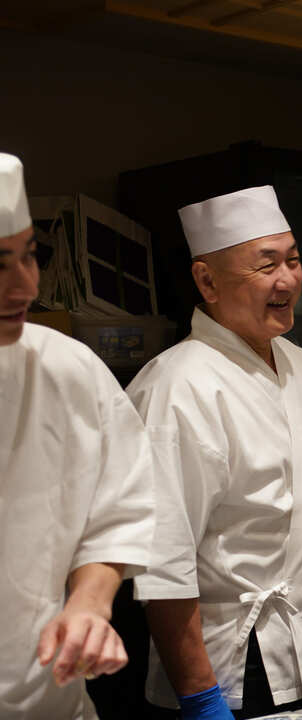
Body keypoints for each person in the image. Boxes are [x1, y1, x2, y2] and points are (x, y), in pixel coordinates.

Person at [126, 186, 302, 719]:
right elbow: (164, 564)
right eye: (265, 266)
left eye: (293, 260)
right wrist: (199, 697)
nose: (286, 279)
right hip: (229, 665)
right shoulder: (175, 388)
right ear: (207, 281)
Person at [0, 152, 156, 718]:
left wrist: (89, 606)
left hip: (48, 698)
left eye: (30, 256)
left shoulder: (67, 369)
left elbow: (117, 508)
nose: (24, 284)